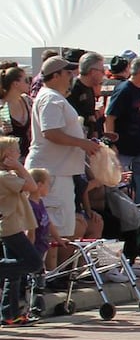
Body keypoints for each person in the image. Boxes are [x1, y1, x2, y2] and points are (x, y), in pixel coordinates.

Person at [24, 56, 97, 240]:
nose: (71, 75)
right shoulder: (50, 98)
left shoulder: (53, 97)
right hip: (51, 172)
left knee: (62, 229)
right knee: (52, 229)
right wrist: (83, 143)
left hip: (58, 170)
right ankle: (44, 269)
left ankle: (51, 269)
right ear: (55, 75)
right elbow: (51, 132)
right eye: (67, 72)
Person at [0, 136, 43, 326]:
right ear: (7, 155)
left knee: (14, 274)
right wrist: (19, 167)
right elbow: (33, 187)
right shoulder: (5, 176)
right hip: (10, 227)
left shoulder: (8, 175)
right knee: (33, 262)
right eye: (16, 151)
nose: (19, 154)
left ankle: (9, 314)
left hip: (13, 224)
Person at [103, 56, 140, 172]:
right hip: (123, 149)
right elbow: (110, 117)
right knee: (121, 184)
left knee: (135, 184)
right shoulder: (124, 90)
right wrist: (111, 143)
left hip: (138, 148)